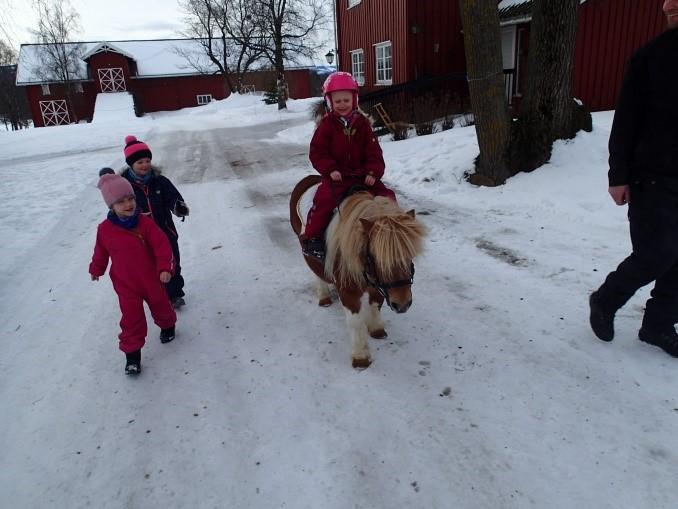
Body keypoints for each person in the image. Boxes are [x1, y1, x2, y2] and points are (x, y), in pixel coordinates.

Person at [589, 0, 678, 358]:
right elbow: (624, 121)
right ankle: (606, 299)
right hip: (652, 176)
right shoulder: (649, 59)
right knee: (657, 254)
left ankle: (657, 325)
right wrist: (618, 175)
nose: (668, 4)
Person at [301, 71, 396, 260]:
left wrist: (372, 172)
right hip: (339, 178)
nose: (342, 105)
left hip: (363, 176)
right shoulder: (326, 126)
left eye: (346, 100)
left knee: (388, 196)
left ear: (354, 100)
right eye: (338, 101)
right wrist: (331, 169)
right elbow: (317, 153)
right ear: (330, 102)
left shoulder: (363, 125)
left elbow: (374, 152)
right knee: (323, 201)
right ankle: (313, 238)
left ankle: (392, 233)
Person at [89, 174, 178, 375]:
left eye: (130, 198)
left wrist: (165, 268)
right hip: (125, 283)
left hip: (151, 279)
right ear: (111, 206)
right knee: (131, 318)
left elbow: (162, 246)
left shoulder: (144, 223)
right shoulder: (105, 229)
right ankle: (132, 356)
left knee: (160, 305)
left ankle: (168, 325)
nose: (128, 204)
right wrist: (96, 269)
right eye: (121, 201)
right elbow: (100, 252)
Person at [120, 135, 190, 308]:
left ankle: (174, 294)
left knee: (172, 262)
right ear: (131, 164)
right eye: (140, 162)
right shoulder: (123, 186)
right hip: (140, 236)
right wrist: (134, 215)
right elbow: (118, 208)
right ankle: (157, 295)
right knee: (150, 268)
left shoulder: (160, 181)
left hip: (165, 232)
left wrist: (178, 207)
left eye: (147, 160)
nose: (145, 165)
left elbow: (173, 197)